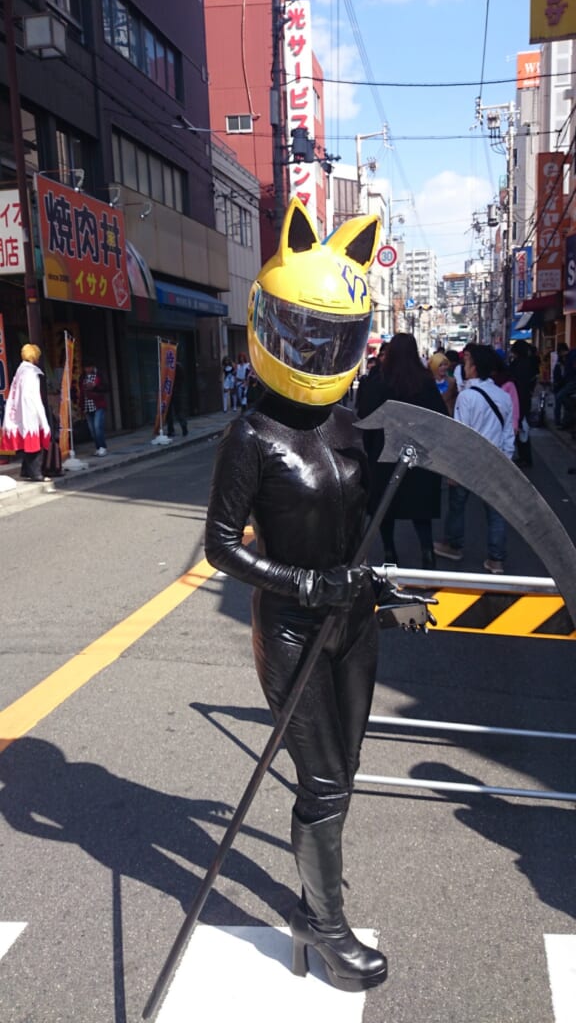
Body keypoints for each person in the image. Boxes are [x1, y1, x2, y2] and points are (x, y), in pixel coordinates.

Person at [205, 198, 426, 994]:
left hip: (354, 625)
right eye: (303, 332)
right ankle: (324, 925)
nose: (316, 350)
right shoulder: (251, 435)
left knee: (344, 772)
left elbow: (357, 525)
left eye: (333, 336)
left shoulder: (345, 422)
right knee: (324, 781)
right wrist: (302, 582)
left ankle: (314, 889)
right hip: (294, 628)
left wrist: (381, 582)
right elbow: (221, 547)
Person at [357, 333, 448, 569]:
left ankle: (389, 554)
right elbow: (440, 419)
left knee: (385, 507)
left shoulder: (378, 381)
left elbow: (365, 416)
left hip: (384, 454)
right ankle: (427, 554)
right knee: (421, 509)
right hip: (418, 455)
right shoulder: (425, 382)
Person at [434, 344, 515, 574]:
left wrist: (452, 468)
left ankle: (453, 545)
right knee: (496, 512)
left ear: (474, 368)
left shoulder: (467, 397)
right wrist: (506, 460)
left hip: (470, 462)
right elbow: (508, 433)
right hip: (496, 460)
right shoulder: (503, 395)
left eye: (467, 364)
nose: (464, 367)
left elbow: (460, 434)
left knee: (457, 505)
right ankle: (496, 559)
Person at [0, 343, 51, 481]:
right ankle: (36, 474)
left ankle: (26, 471)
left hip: (18, 412)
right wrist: (40, 417)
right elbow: (30, 396)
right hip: (29, 413)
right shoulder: (30, 372)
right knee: (34, 444)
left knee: (26, 444)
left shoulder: (20, 371)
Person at [79, 362, 108, 456]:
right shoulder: (82, 377)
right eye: (86, 367)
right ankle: (98, 447)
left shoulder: (99, 375)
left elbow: (105, 388)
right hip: (87, 406)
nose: (87, 369)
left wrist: (95, 386)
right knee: (92, 430)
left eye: (89, 367)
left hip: (98, 405)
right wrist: (81, 406)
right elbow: (81, 393)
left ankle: (102, 447)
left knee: (98, 427)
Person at [428, 351, 457, 416]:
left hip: (447, 415)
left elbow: (455, 397)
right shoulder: (428, 382)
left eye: (445, 364)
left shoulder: (452, 381)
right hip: (431, 415)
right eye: (440, 365)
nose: (444, 367)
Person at [166, 361, 188, 437]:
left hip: (172, 392)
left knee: (174, 412)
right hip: (174, 392)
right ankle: (180, 427)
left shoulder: (173, 366)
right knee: (175, 412)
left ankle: (174, 429)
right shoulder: (177, 366)